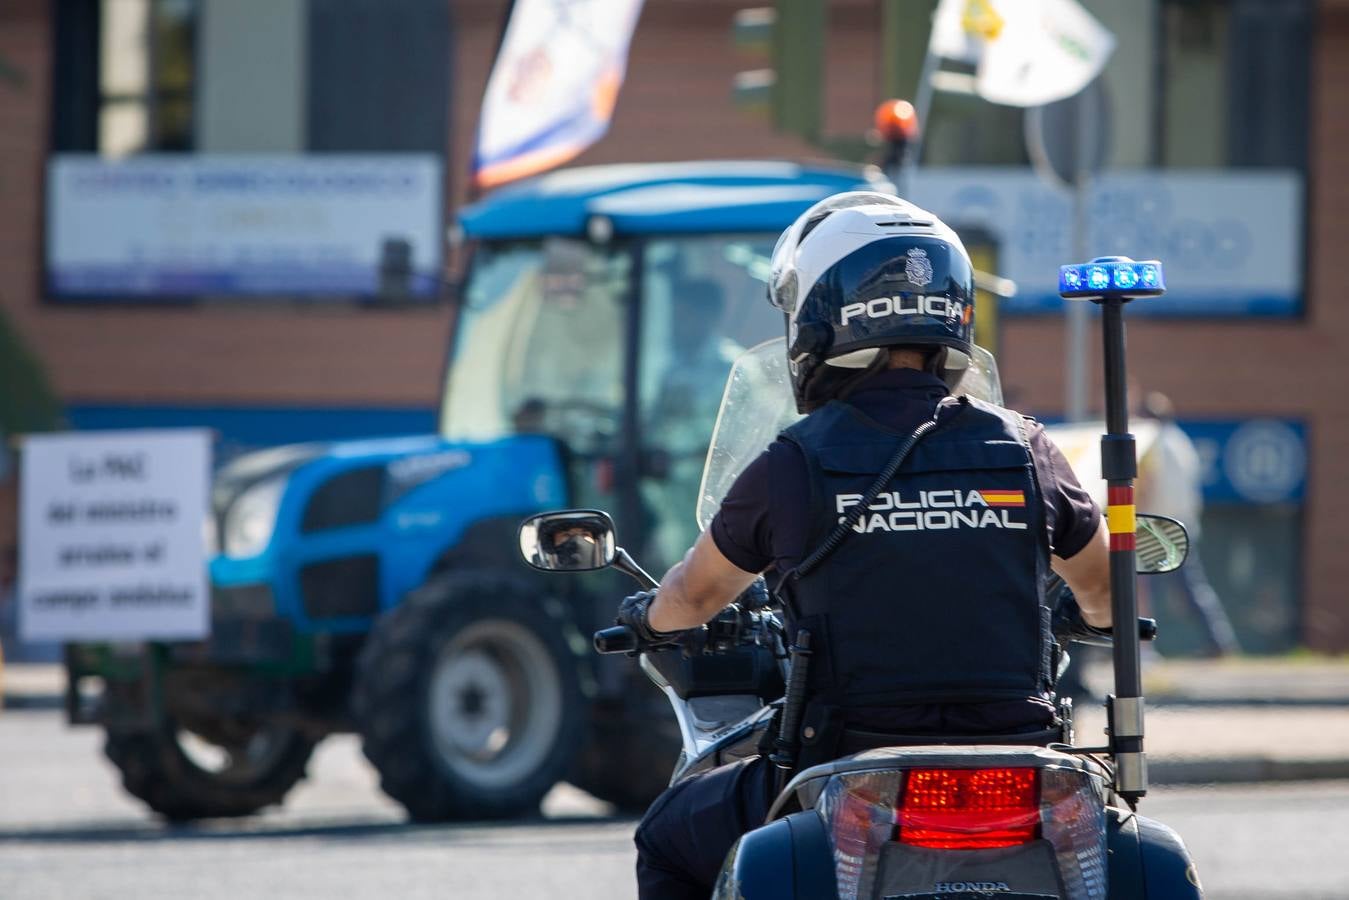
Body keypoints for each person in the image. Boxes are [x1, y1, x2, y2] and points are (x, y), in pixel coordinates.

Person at [613, 193, 1115, 899]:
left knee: (667, 835)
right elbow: (1105, 590)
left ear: (820, 315)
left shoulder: (794, 461)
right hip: (1020, 766)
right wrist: (1088, 616)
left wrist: (647, 621)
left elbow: (693, 596)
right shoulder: (1026, 449)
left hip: (848, 768)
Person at [1136, 391, 1240, 657]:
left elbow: (1147, 484)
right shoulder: (1181, 441)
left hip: (1154, 525)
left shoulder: (1150, 442)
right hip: (1183, 525)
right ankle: (1219, 642)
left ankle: (1143, 648)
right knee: (1191, 590)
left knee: (1141, 589)